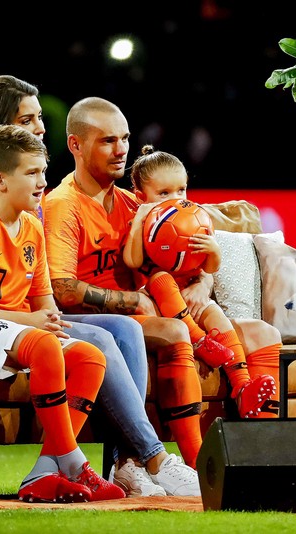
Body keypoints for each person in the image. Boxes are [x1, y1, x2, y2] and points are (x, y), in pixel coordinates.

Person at [0, 75, 198, 497]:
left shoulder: (31, 217)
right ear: (0, 174)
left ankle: (102, 464)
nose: (39, 129)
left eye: (39, 123)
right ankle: (151, 457)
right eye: (29, 120)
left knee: (116, 333)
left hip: (19, 316)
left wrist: (206, 269)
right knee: (98, 339)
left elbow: (45, 292)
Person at [42, 97, 282, 472]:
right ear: (75, 144)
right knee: (174, 331)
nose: (121, 149)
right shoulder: (63, 204)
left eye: (124, 138)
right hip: (91, 319)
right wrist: (131, 301)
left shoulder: (133, 202)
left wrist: (203, 279)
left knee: (262, 333)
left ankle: (265, 460)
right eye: (107, 141)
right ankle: (191, 464)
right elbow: (62, 289)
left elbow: (187, 253)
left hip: (154, 308)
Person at [0, 125, 124, 503]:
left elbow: (43, 300)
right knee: (43, 345)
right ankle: (73, 460)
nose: (43, 182)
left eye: (44, 172)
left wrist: (48, 321)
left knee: (89, 356)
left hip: (13, 330)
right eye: (32, 173)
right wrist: (32, 324)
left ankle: (43, 471)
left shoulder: (33, 225)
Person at [123, 145, 275, 418]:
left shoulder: (195, 220)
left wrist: (213, 252)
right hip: (159, 305)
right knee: (160, 278)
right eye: (164, 193)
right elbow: (133, 262)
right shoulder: (143, 225)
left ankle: (242, 387)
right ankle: (199, 341)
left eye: (181, 190)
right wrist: (138, 222)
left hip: (191, 300)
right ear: (141, 197)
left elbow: (210, 266)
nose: (176, 198)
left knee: (216, 314)